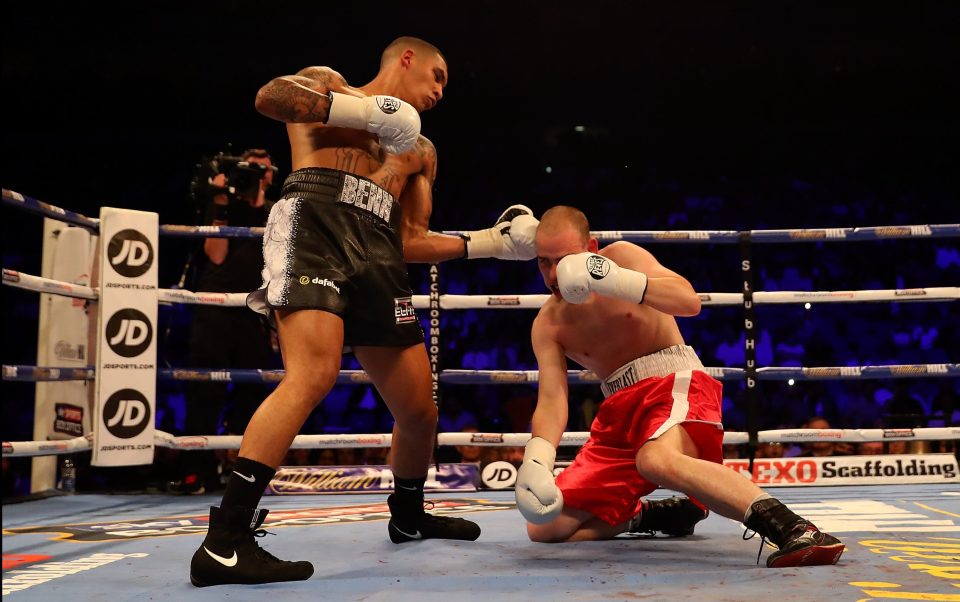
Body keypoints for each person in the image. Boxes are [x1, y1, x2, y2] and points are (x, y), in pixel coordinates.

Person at [190, 36, 541, 587]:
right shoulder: (332, 85)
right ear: (406, 61)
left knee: (419, 408)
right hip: (314, 223)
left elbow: (412, 239)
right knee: (313, 373)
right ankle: (225, 541)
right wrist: (366, 110)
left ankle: (407, 517)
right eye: (437, 76)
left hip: (378, 251)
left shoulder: (420, 151)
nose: (440, 91)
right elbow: (270, 96)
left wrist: (488, 243)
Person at [515, 206, 844, 567]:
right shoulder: (547, 324)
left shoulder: (623, 257)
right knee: (546, 525)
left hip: (673, 382)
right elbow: (552, 400)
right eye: (543, 262)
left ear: (591, 248)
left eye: (563, 260)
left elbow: (688, 302)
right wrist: (537, 457)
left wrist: (613, 278)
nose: (552, 274)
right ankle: (654, 516)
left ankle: (794, 529)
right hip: (619, 414)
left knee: (655, 459)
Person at [170, 148, 279, 495]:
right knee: (204, 392)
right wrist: (219, 199)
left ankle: (243, 474)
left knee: (254, 396)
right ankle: (194, 473)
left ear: (271, 175)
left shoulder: (277, 214)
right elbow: (215, 254)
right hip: (215, 308)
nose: (256, 175)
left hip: (255, 312)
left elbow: (279, 266)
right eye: (250, 169)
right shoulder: (222, 206)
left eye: (262, 170)